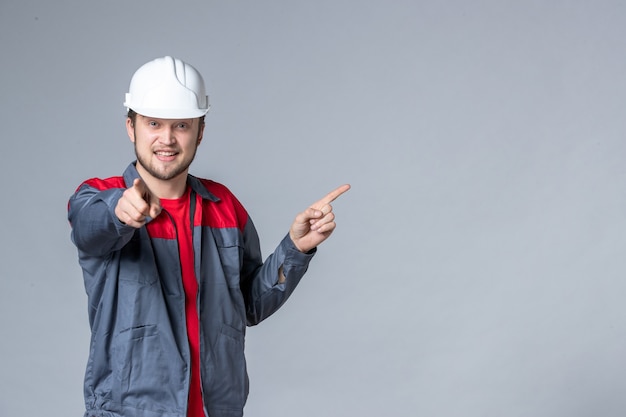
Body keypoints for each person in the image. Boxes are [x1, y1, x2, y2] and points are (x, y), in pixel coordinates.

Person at [68, 56, 350, 417]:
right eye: (154, 123)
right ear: (131, 126)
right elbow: (90, 229)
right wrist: (120, 212)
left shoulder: (224, 207)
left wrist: (295, 249)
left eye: (181, 125)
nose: (167, 139)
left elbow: (247, 305)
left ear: (200, 131)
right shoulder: (97, 197)